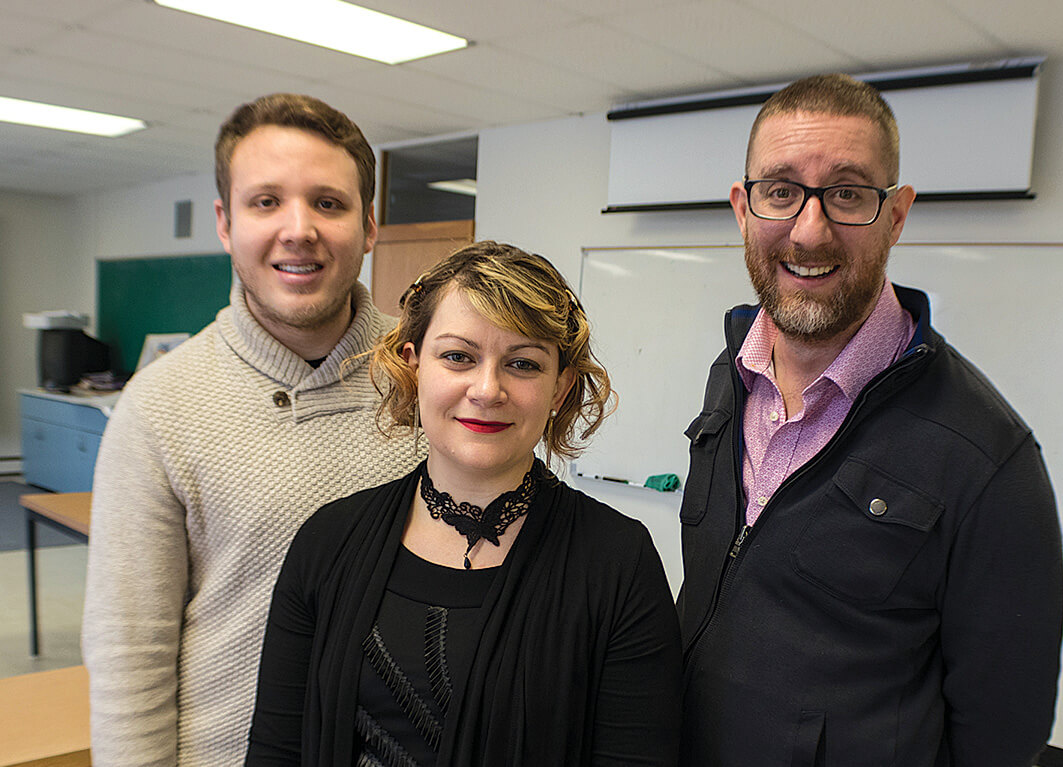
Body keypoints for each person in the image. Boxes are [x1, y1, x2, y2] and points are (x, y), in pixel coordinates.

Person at [676, 74, 1063, 766]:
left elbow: (1000, 737)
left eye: (848, 194)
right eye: (780, 191)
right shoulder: (730, 376)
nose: (808, 230)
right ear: (742, 207)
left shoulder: (985, 456)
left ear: (896, 214)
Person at [245, 240, 683, 766]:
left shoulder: (617, 561)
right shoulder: (328, 541)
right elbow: (276, 751)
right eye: (458, 356)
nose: (487, 389)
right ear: (413, 365)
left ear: (560, 389)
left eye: (522, 364)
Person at [82, 93, 423, 766]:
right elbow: (129, 657)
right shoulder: (158, 406)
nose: (298, 229)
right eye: (265, 201)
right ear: (224, 222)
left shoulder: (432, 375)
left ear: (370, 224)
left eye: (328, 202)